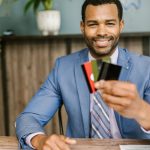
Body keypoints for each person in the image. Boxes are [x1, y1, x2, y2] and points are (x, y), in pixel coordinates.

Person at [16, 0, 150, 149]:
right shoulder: (63, 68)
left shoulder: (146, 68)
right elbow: (28, 117)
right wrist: (40, 139)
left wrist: (142, 111)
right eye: (93, 24)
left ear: (121, 25)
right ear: (82, 26)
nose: (101, 32)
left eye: (110, 23)